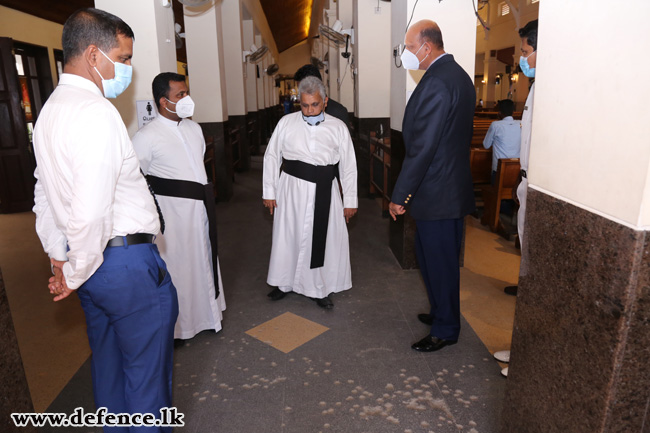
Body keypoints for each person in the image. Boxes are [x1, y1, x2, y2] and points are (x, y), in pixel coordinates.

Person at [32, 8, 178, 430]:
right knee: (147, 387)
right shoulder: (96, 113)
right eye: (125, 57)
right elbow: (91, 210)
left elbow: (45, 192)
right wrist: (74, 268)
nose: (128, 68)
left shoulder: (49, 112)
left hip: (92, 268)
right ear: (94, 55)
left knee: (111, 375)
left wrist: (60, 257)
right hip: (123, 265)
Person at [389, 20, 476, 353]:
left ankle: (446, 328)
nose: (408, 54)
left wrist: (400, 196)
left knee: (439, 263)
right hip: (444, 188)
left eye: (410, 48)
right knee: (431, 260)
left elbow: (424, 146)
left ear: (426, 46)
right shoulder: (454, 75)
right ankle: (442, 311)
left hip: (438, 191)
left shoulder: (440, 82)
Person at [132, 72, 226, 341]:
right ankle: (181, 328)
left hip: (201, 209)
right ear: (164, 102)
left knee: (205, 257)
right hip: (174, 215)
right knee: (180, 267)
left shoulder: (193, 129)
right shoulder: (146, 137)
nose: (186, 99)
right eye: (180, 95)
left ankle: (209, 315)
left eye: (186, 92)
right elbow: (136, 180)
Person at [263, 76, 357, 309]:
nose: (309, 110)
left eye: (314, 104)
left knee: (322, 238)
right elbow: (272, 156)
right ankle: (284, 283)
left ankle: (319, 287)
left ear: (324, 102)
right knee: (288, 235)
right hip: (291, 189)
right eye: (304, 105)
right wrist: (269, 191)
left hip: (325, 189)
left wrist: (350, 200)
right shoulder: (286, 122)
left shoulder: (338, 127)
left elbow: (348, 166)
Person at [496, 18, 539, 378]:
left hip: (541, 188)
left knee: (536, 272)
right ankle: (521, 347)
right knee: (526, 266)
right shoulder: (537, 87)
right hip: (527, 181)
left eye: (526, 52)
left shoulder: (552, 90)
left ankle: (528, 359)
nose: (522, 59)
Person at [483, 99, 521, 184]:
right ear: (513, 112)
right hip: (516, 169)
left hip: (499, 170)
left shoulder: (495, 125)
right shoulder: (520, 124)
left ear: (499, 112)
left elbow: (486, 145)